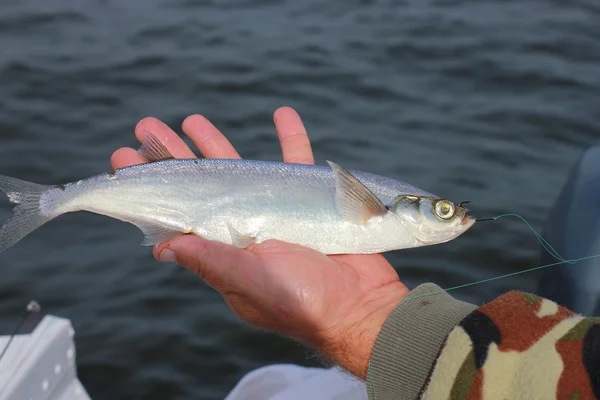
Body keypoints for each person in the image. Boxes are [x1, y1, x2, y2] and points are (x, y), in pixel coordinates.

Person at [111, 107, 600, 400]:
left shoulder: (383, 210)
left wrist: (365, 319)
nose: (457, 218)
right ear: (402, 207)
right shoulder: (379, 205)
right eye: (445, 211)